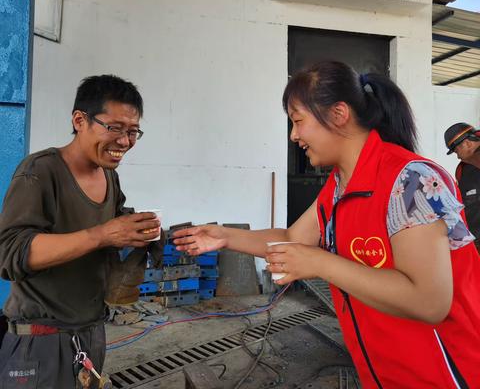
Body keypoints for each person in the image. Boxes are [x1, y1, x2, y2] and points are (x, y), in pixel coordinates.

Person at [174, 62, 480, 388]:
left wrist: (320, 262)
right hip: (387, 373)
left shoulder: (410, 180)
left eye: (298, 121)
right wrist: (224, 236)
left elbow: (429, 302)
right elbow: (293, 238)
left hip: (450, 372)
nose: (293, 136)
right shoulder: (339, 186)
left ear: (338, 114)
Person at [0, 75, 161, 388]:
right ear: (80, 120)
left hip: (90, 333)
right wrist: (102, 234)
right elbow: (8, 252)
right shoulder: (40, 172)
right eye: (114, 127)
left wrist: (141, 232)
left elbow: (111, 230)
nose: (125, 141)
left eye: (132, 131)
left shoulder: (109, 177)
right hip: (39, 342)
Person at [444, 122, 480, 251]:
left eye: (456, 150)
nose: (458, 156)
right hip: (474, 241)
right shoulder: (463, 171)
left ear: (467, 143)